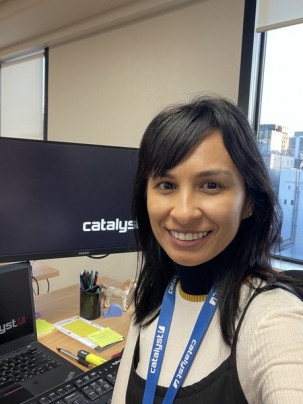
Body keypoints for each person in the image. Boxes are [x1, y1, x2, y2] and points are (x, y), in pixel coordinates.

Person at [112, 96, 303, 403]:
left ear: (249, 202)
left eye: (211, 185)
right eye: (167, 185)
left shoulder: (273, 319)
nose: (184, 212)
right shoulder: (153, 300)